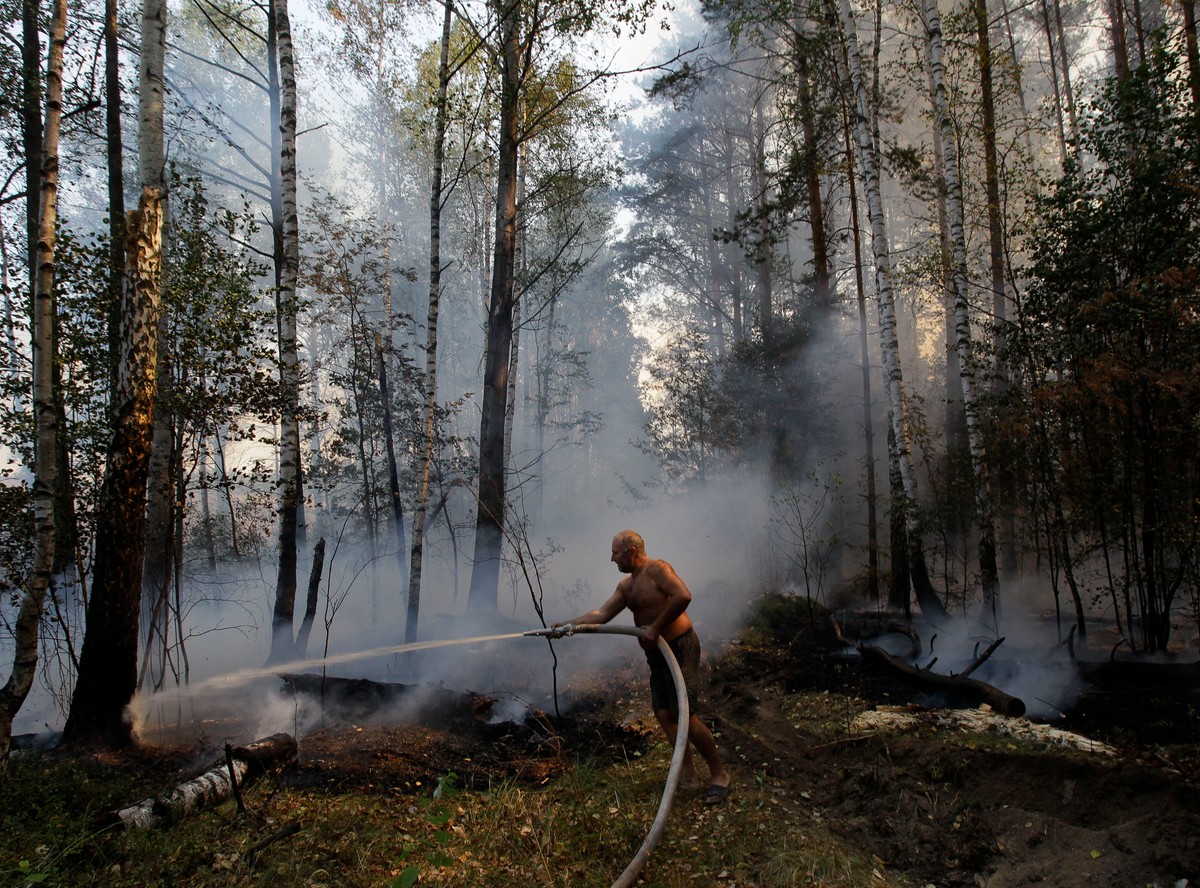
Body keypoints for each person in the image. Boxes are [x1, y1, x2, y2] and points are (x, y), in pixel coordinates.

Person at [556, 529, 732, 805]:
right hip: (657, 657)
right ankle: (686, 774)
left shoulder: (658, 570)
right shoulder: (626, 586)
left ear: (631, 552)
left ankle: (719, 774)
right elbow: (601, 615)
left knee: (686, 714)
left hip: (680, 647)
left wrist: (655, 628)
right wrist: (568, 626)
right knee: (663, 713)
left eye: (615, 552)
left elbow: (683, 595)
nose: (611, 558)